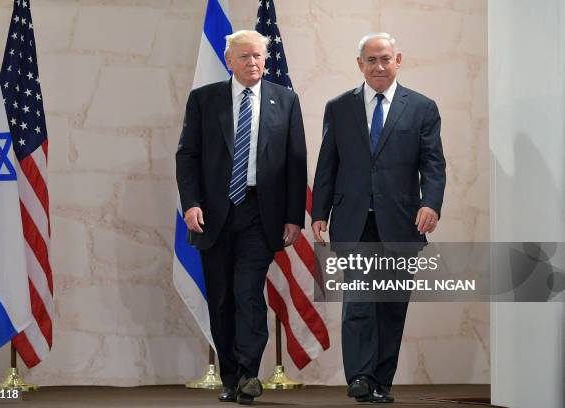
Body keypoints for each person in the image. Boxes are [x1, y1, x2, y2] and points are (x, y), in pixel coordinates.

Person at [311, 32, 446, 403]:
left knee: (390, 305)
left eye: (385, 58)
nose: (379, 66)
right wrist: (319, 212)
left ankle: (381, 381)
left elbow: (433, 164)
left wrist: (431, 204)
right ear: (360, 65)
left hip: (401, 222)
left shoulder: (421, 107)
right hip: (354, 220)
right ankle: (359, 377)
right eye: (371, 60)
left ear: (398, 60)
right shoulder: (339, 107)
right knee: (359, 299)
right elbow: (328, 164)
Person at [176, 30, 307, 405]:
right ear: (229, 60)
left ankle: (250, 371)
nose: (254, 63)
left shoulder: (286, 100)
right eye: (245, 57)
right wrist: (191, 203)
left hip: (260, 213)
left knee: (247, 291)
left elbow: (296, 164)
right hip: (213, 214)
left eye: (259, 57)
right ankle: (231, 377)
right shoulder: (204, 100)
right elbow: (187, 156)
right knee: (220, 299)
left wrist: (293, 216)